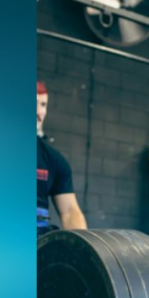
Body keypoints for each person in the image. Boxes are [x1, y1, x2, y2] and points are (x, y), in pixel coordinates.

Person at [37, 81, 87, 236]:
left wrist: (82, 250)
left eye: (43, 104)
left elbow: (69, 211)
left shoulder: (54, 161)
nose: (39, 112)